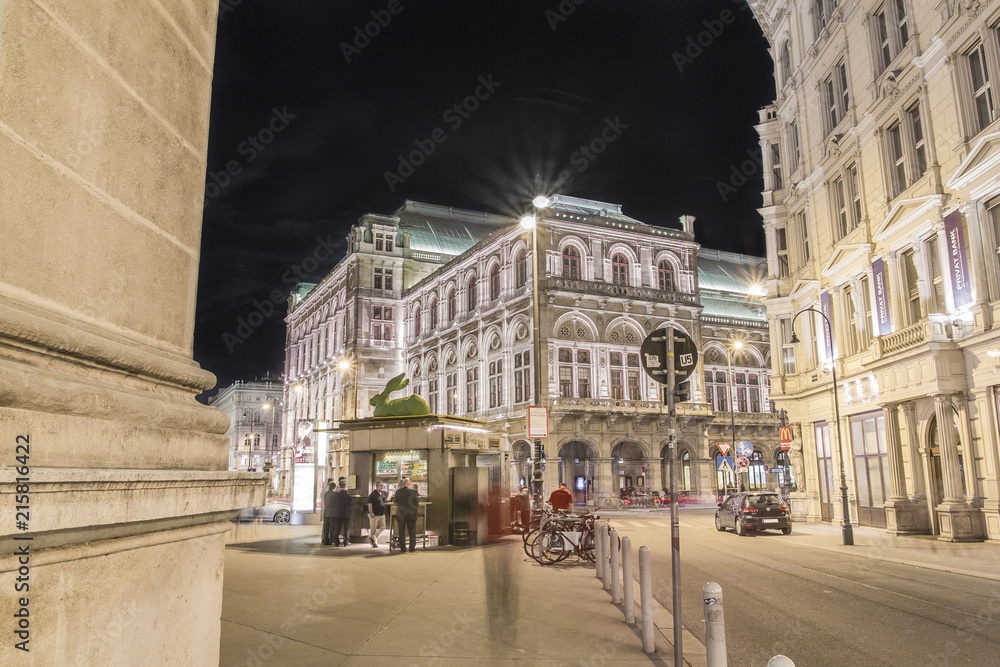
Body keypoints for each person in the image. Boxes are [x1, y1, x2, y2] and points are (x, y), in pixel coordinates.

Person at [392, 477, 419, 553]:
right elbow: (416, 503)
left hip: (401, 515)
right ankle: (412, 547)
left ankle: (403, 547)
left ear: (402, 484)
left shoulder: (398, 492)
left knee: (401, 531)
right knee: (412, 531)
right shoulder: (413, 492)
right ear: (409, 484)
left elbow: (394, 501)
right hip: (411, 514)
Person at [331, 477, 353, 546]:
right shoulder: (348, 495)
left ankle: (336, 542)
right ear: (345, 486)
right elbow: (350, 504)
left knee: (337, 528)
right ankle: (345, 542)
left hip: (337, 513)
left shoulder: (336, 494)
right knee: (346, 528)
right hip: (346, 514)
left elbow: (333, 503)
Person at [367, 482, 388, 548]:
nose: (382, 487)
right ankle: (374, 543)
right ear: (376, 486)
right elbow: (370, 504)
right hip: (374, 515)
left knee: (383, 527)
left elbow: (385, 500)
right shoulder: (372, 495)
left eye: (382, 485)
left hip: (381, 514)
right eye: (380, 486)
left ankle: (373, 538)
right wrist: (371, 513)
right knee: (373, 529)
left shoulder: (382, 494)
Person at [321, 480, 337, 545]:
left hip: (326, 512)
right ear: (334, 487)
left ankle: (325, 540)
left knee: (326, 527)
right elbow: (335, 503)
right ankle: (331, 540)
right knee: (332, 527)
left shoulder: (326, 494)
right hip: (332, 513)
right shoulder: (334, 494)